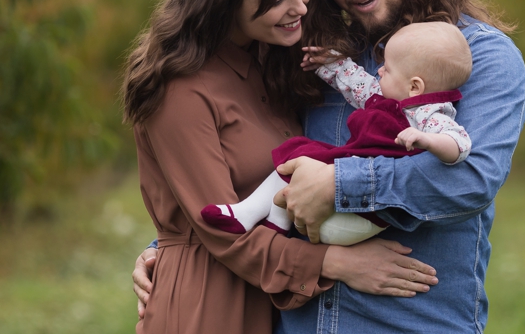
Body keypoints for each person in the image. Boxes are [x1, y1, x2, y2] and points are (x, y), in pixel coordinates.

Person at [134, 0, 525, 334]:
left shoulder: (480, 56)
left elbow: (469, 180)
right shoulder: (316, 60)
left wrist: (337, 185)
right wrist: (171, 244)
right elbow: (243, 163)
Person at [201, 21, 474, 245]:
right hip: (342, 195)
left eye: (387, 69)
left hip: (360, 212)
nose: (378, 71)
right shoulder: (387, 98)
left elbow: (459, 144)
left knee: (304, 160)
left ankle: (254, 216)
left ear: (415, 86)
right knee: (299, 153)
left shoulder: (429, 115)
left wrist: (428, 140)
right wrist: (327, 63)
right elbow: (356, 83)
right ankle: (265, 220)